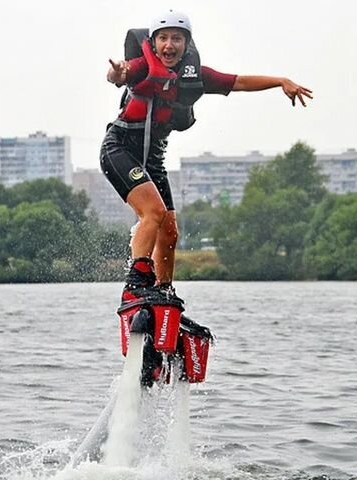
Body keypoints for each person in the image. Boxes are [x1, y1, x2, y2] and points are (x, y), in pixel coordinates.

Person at [101, 9, 313, 310]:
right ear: (154, 42)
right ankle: (135, 286)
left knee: (171, 232)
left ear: (187, 44)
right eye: (163, 39)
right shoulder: (139, 68)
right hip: (119, 150)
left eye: (177, 39)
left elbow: (239, 82)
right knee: (153, 212)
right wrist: (118, 73)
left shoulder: (197, 76)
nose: (169, 45)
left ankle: (163, 292)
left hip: (153, 162)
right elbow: (117, 75)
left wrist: (280, 81)